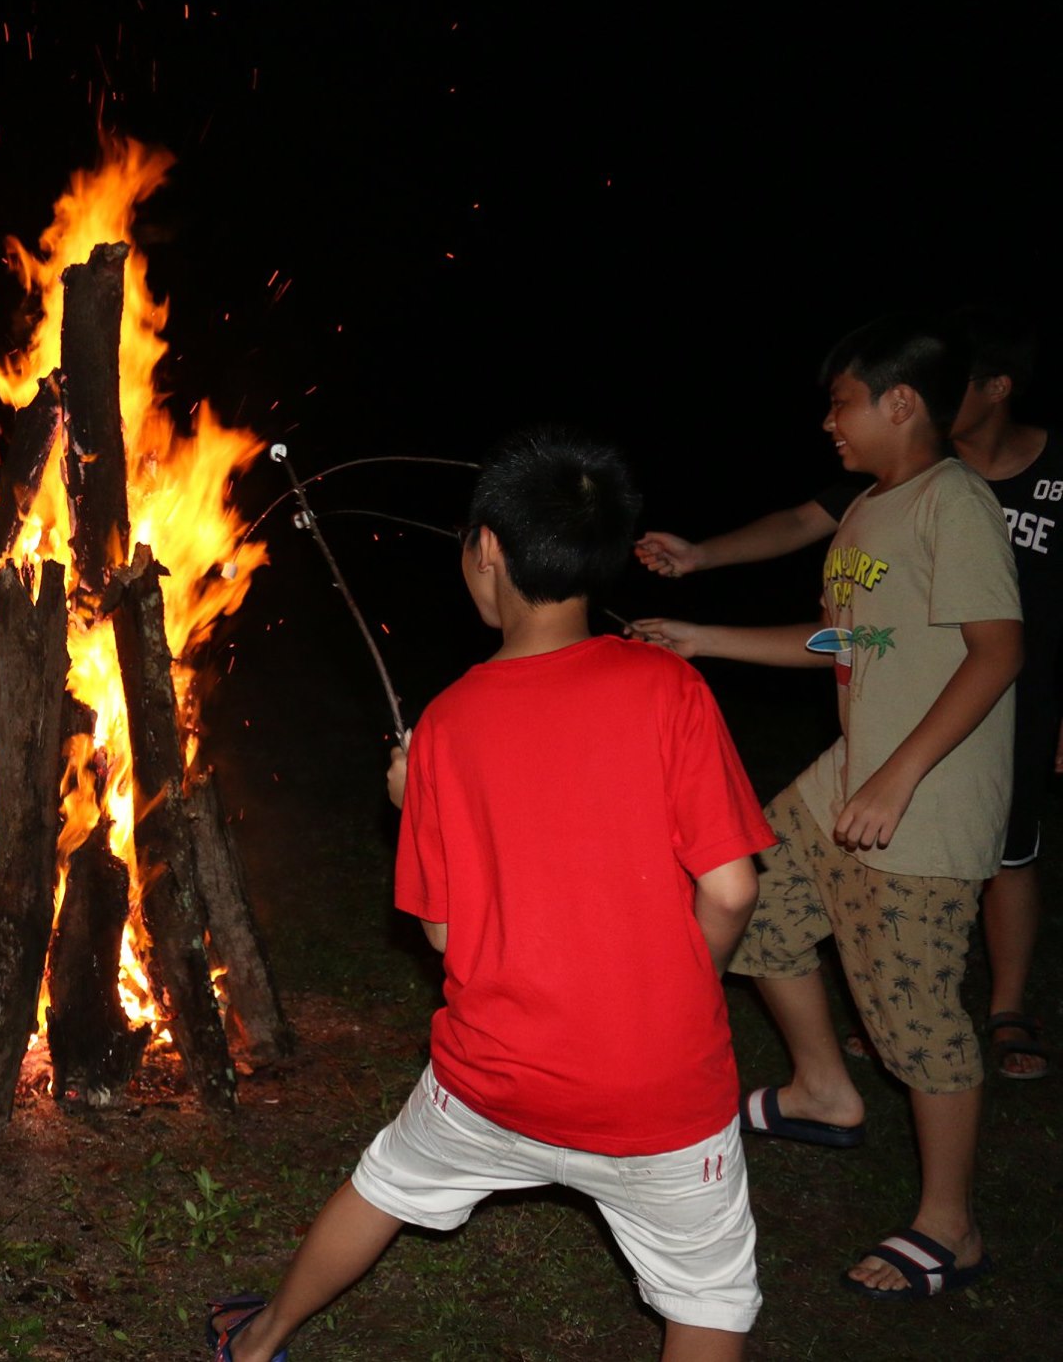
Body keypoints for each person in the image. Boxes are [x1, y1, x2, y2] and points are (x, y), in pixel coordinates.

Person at [207, 428, 774, 1362]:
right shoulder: (669, 687)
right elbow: (731, 884)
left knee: (385, 1182)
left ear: (488, 554)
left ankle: (261, 1339)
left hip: (493, 1083)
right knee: (706, 1294)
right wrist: (685, 979)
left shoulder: (446, 724)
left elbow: (440, 932)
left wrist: (411, 794)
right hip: (661, 1096)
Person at [629, 312, 1021, 1301]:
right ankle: (820, 1089)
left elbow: (996, 651)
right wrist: (699, 638)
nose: (827, 425)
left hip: (921, 804)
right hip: (848, 771)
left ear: (899, 404)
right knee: (751, 905)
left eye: (840, 405)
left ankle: (950, 1225)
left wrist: (895, 779)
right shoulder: (866, 512)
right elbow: (843, 644)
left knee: (915, 1016)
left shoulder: (951, 504)